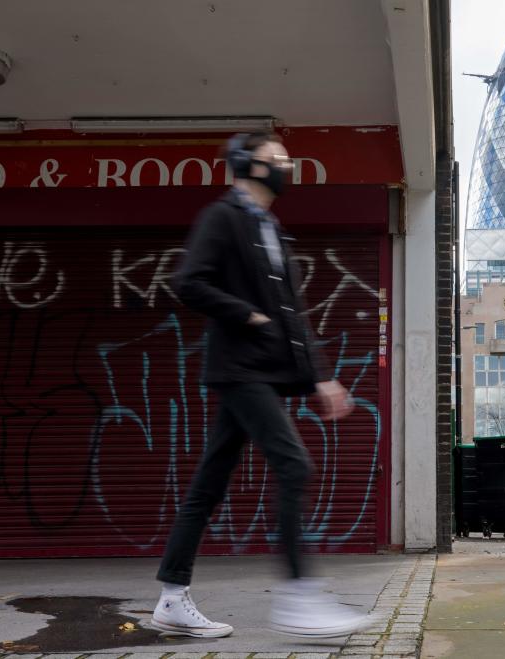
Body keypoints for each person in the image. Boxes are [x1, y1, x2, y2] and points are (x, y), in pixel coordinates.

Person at [150, 132, 369, 638]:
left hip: (264, 374)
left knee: (209, 483)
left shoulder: (270, 228)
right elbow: (189, 281)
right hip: (240, 370)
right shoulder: (222, 217)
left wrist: (322, 377)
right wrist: (246, 314)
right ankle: (298, 599)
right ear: (248, 164)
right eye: (277, 160)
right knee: (294, 465)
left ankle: (171, 598)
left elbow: (293, 315)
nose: (286, 167)